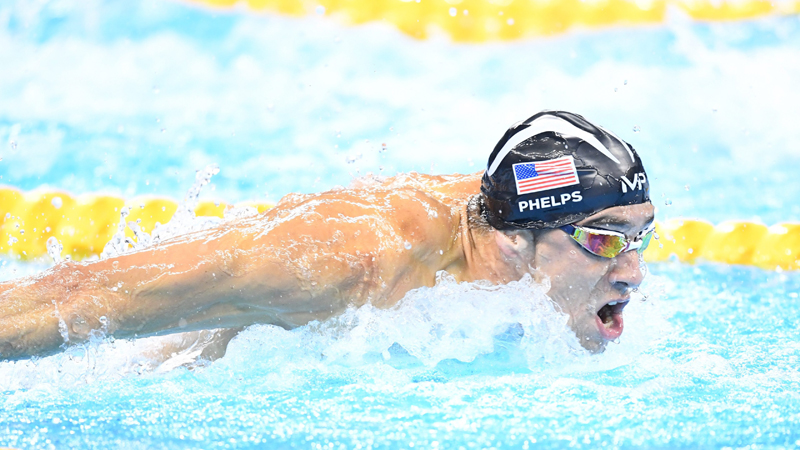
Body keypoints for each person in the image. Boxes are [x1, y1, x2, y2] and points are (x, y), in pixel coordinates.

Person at [0, 110, 654, 360]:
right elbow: (70, 301)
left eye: (639, 237)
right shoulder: (344, 260)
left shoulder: (518, 222)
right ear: (516, 239)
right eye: (603, 241)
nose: (632, 273)